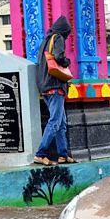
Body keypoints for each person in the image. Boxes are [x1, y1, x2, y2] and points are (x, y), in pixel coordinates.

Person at [35, 16, 75, 166]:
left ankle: (63, 155)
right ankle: (40, 154)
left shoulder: (45, 41)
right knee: (55, 121)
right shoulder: (58, 38)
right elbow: (59, 57)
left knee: (61, 122)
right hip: (55, 87)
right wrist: (67, 62)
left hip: (44, 87)